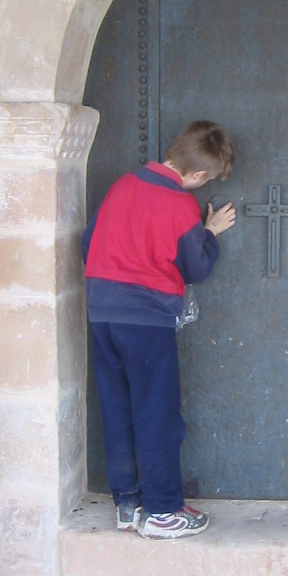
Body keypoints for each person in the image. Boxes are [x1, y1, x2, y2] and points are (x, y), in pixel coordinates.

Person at [81, 120, 236, 539]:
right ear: (199, 175)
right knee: (157, 413)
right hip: (146, 319)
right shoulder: (179, 204)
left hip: (102, 312)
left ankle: (128, 503)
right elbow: (195, 267)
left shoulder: (123, 185)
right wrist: (210, 232)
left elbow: (87, 242)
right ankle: (164, 511)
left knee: (117, 408)